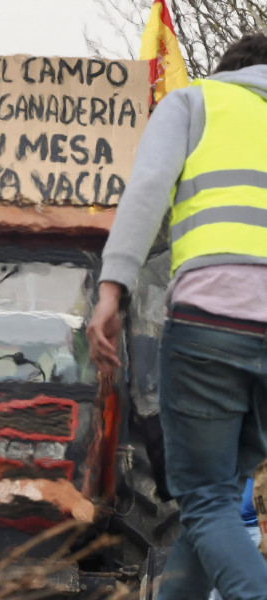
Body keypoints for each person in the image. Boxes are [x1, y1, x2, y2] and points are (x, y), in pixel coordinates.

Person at [86, 34, 267, 600]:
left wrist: (111, 289)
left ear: (227, 71)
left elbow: (146, 191)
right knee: (212, 500)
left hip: (211, 325)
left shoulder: (195, 102)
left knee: (207, 500)